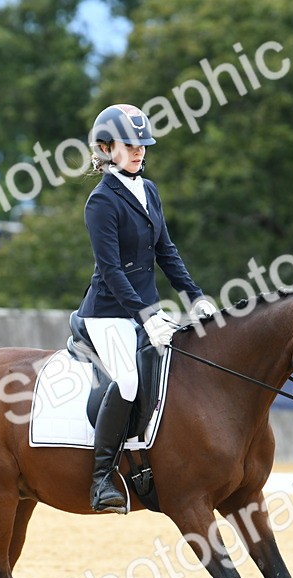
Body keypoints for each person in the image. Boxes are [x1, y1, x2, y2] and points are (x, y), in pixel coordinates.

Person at [78, 103, 217, 513]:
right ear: (106, 148)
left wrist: (196, 296)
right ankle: (101, 477)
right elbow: (112, 270)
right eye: (130, 144)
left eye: (143, 144)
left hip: (146, 310)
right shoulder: (100, 202)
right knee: (129, 383)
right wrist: (147, 315)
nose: (139, 150)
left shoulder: (149, 189)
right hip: (108, 312)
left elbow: (166, 253)